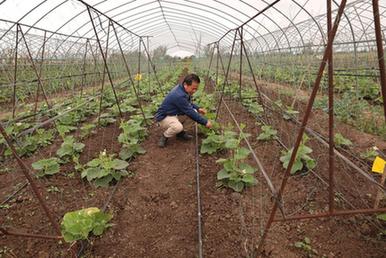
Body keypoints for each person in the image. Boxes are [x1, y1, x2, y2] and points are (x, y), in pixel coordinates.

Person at [155, 73, 212, 148]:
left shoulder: (182, 89)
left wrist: (198, 108)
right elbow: (189, 111)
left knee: (195, 111)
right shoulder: (179, 95)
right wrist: (205, 122)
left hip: (174, 113)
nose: (194, 91)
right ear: (185, 84)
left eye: (196, 89)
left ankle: (180, 134)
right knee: (178, 126)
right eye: (193, 88)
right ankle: (165, 136)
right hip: (164, 117)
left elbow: (188, 103)